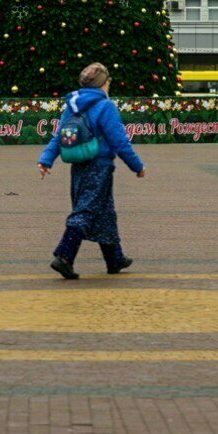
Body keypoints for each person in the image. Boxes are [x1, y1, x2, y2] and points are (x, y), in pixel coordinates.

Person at [37, 62, 145, 280]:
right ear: (104, 84)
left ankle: (115, 259)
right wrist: (137, 166)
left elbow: (60, 135)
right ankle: (64, 257)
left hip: (78, 164)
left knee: (105, 211)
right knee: (85, 211)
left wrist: (46, 159)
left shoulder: (73, 105)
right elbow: (119, 141)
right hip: (100, 166)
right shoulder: (105, 106)